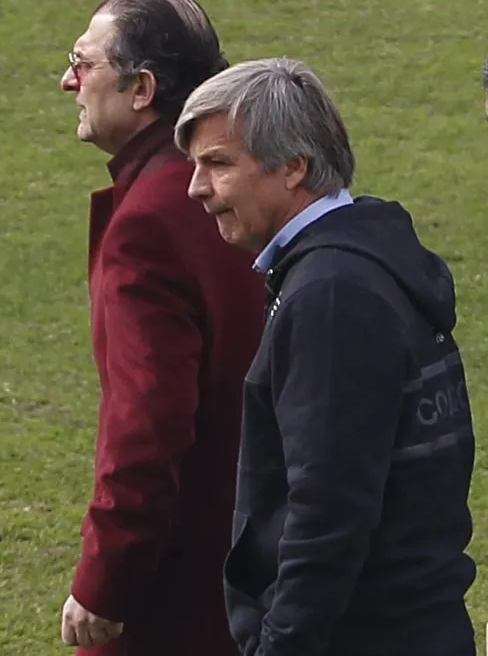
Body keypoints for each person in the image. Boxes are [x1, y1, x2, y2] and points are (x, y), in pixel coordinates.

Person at [175, 57, 478, 656]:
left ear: (293, 167)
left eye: (218, 164)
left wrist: (282, 645)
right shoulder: (357, 265)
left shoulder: (331, 296)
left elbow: (328, 511)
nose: (196, 188)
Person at [57, 0, 265, 655]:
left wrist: (104, 579)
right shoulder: (241, 189)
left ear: (141, 88)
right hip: (267, 556)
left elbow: (148, 424)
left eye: (82, 64)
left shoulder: (147, 222)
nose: (68, 82)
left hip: (181, 589)